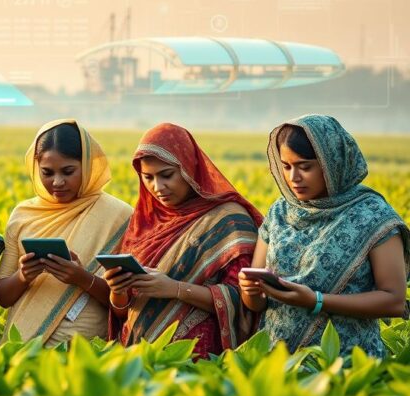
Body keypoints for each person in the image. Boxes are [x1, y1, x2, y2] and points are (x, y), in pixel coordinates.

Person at [239, 115, 409, 357]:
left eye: (305, 166)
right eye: (286, 167)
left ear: (333, 162)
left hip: (345, 363)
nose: (293, 178)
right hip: (278, 362)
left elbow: (394, 301)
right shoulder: (280, 211)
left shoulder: (373, 215)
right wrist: (250, 290)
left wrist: (316, 301)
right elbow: (257, 303)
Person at [106, 123, 262, 358]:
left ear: (189, 168)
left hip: (197, 358)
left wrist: (175, 289)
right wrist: (117, 291)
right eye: (148, 177)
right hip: (137, 358)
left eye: (167, 175)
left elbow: (242, 300)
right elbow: (123, 310)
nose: (158, 187)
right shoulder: (144, 223)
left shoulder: (228, 219)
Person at [0, 120, 133, 346]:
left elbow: (129, 305)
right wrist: (23, 275)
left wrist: (82, 278)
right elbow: (3, 297)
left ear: (87, 166)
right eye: (47, 173)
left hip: (87, 349)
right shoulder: (23, 215)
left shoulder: (119, 216)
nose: (57, 182)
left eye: (68, 171)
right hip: (24, 347)